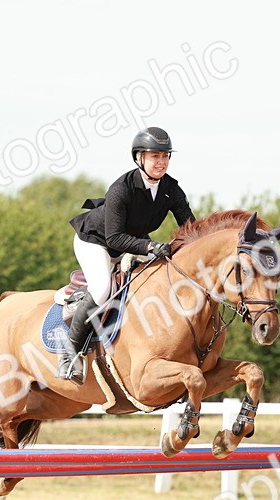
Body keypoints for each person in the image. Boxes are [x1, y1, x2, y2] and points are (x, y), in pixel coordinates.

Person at [62, 126, 195, 384]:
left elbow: (190, 228)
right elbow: (114, 238)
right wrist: (149, 247)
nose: (161, 161)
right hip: (96, 241)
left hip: (130, 243)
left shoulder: (171, 189)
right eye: (154, 156)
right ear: (139, 158)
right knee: (101, 289)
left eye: (165, 156)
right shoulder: (121, 188)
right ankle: (70, 354)